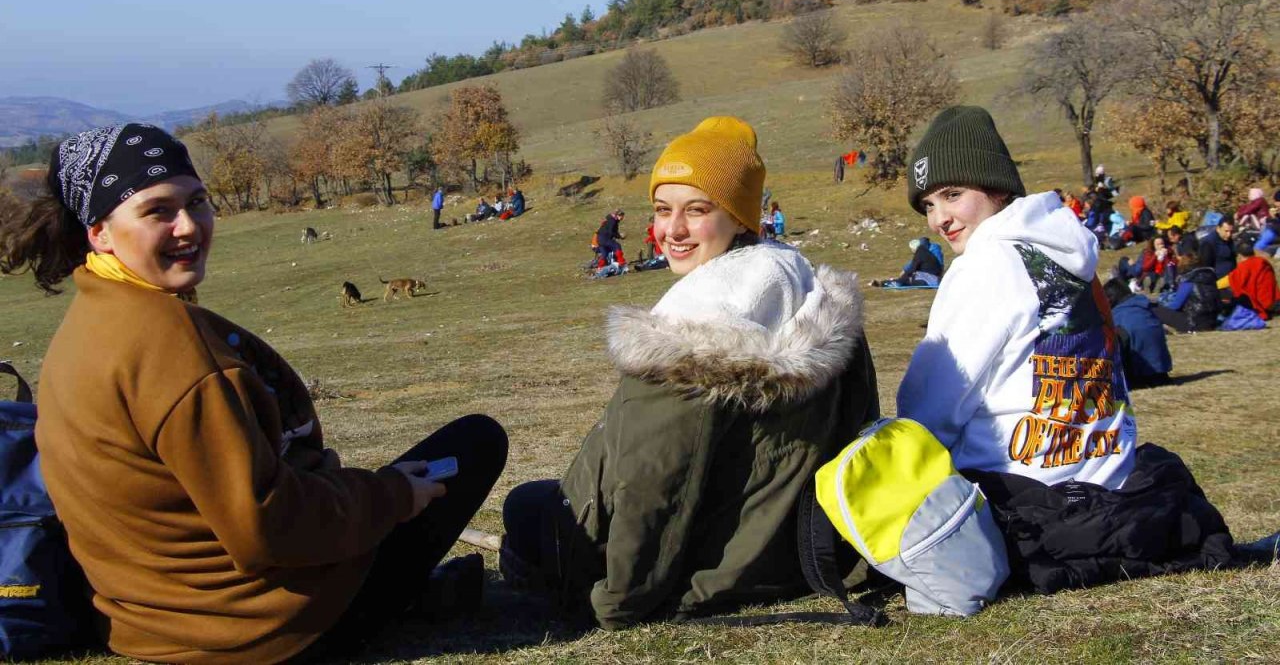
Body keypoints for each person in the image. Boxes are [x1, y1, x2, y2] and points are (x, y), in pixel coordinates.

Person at [0, 123, 507, 663]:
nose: (188, 226)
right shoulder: (172, 352)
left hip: (146, 618)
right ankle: (398, 596)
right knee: (475, 443)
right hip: (257, 633)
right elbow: (270, 527)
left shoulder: (88, 321)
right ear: (98, 231)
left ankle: (419, 592)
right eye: (157, 211)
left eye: (198, 202)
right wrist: (391, 496)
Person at [501, 116, 879, 629]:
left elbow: (657, 478)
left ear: (739, 216)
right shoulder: (800, 281)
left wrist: (622, 597)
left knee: (524, 506)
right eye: (662, 210)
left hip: (708, 562)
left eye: (697, 211)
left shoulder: (705, 311)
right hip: (774, 549)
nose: (672, 231)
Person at [894, 106, 1239, 594]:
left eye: (952, 195)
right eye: (927, 205)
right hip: (1115, 490)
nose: (939, 219)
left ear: (995, 187)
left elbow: (930, 412)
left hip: (1029, 505)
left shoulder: (985, 264)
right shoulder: (1069, 252)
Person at [1103, 277, 1172, 388]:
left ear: (1110, 299)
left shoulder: (1118, 316)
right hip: (1161, 373)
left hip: (1138, 376)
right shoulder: (1145, 307)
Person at [1153, 244, 1223, 333]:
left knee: (1155, 310)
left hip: (1193, 323)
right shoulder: (1210, 278)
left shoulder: (1189, 282)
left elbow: (1175, 306)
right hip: (1211, 321)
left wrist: (1163, 302)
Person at [1224, 239, 1279, 320]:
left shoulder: (1244, 267)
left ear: (1239, 255)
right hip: (1273, 301)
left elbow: (1230, 281)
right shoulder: (1264, 262)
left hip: (1259, 305)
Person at [871, 236, 944, 288]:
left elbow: (912, 268)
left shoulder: (920, 253)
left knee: (909, 278)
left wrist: (901, 279)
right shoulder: (928, 251)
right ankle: (889, 282)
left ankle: (888, 283)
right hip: (935, 277)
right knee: (910, 277)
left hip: (931, 280)